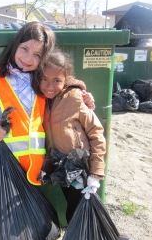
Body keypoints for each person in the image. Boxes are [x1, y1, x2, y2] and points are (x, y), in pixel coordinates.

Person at [0, 22, 94, 240]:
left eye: (37, 54)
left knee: (19, 213)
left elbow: (64, 83)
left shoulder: (40, 80)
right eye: (24, 49)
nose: (28, 58)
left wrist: (84, 94)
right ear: (15, 45)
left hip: (30, 164)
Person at [36, 47, 106, 224]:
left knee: (77, 214)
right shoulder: (40, 100)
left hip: (79, 166)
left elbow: (96, 133)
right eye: (44, 79)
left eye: (56, 80)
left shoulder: (75, 99)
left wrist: (96, 173)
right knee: (74, 210)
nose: (50, 86)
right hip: (61, 166)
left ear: (66, 79)